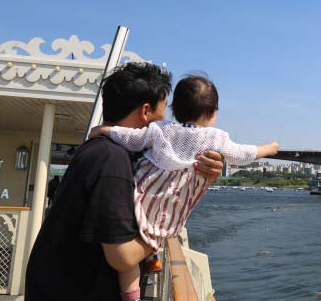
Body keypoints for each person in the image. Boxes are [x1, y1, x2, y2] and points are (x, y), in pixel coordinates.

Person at [25, 63, 224, 301]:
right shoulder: (113, 160)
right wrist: (164, 229)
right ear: (146, 111)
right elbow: (123, 256)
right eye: (163, 112)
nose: (168, 122)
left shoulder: (103, 150)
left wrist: (205, 175)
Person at [89, 73, 280, 300]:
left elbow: (132, 138)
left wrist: (105, 130)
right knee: (150, 237)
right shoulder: (216, 138)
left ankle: (133, 295)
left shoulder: (161, 129)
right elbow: (243, 154)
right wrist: (269, 148)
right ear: (212, 112)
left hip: (141, 194)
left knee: (134, 247)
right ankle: (150, 261)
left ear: (174, 109)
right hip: (169, 206)